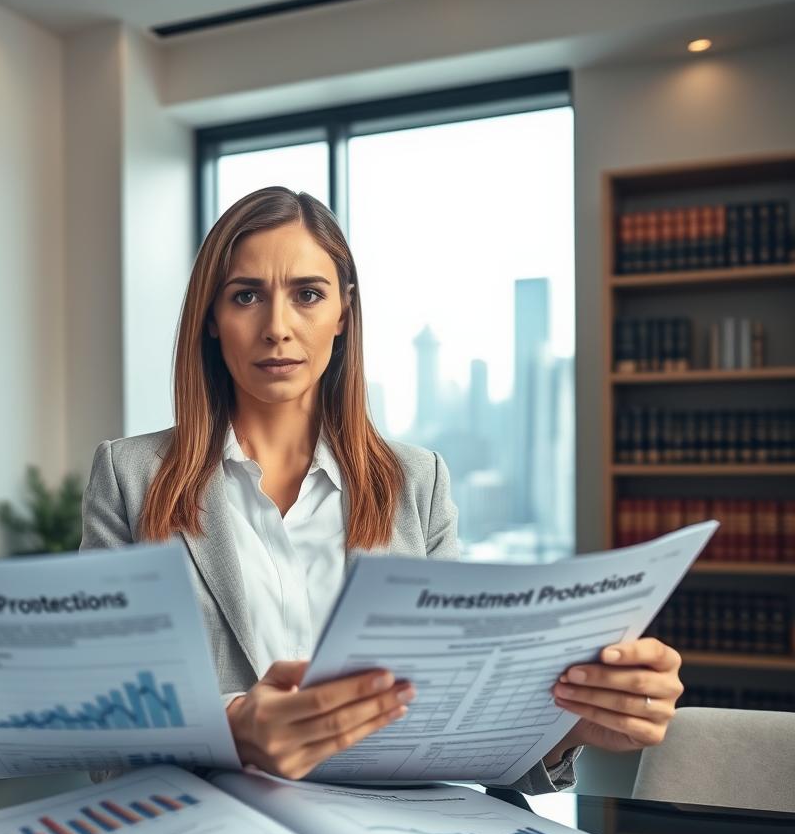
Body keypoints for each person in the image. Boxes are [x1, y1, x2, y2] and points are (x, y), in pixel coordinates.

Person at [80, 186, 684, 793]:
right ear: (212, 317)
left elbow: (452, 721)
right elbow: (98, 728)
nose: (277, 328)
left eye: (308, 295)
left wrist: (568, 726)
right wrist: (230, 727)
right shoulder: (129, 477)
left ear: (343, 313)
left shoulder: (418, 483)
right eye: (246, 296)